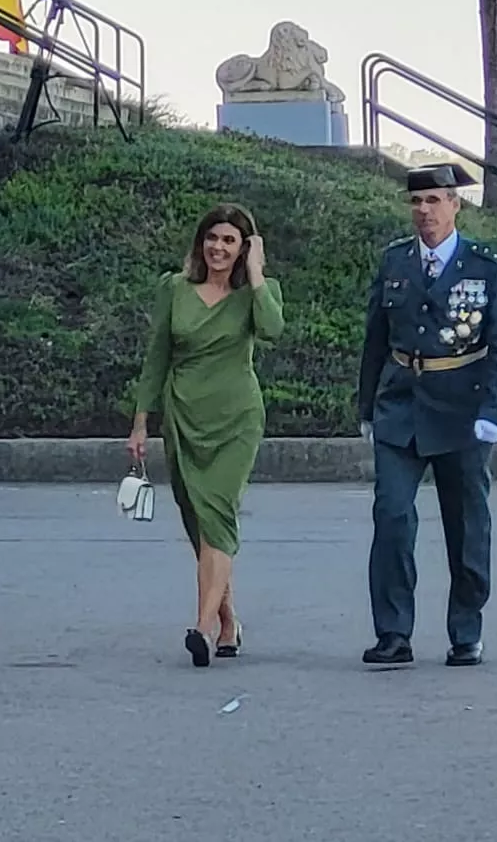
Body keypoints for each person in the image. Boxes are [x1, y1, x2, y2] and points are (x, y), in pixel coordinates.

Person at [357, 164, 497, 668]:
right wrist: (367, 406)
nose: (424, 212)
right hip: (402, 405)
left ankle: (466, 630)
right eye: (417, 202)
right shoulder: (396, 262)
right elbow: (375, 341)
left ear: (456, 205)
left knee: (467, 525)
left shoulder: (485, 267)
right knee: (391, 515)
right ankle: (393, 633)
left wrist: (496, 411)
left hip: (463, 406)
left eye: (434, 201)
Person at [127, 203, 286, 667]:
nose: (219, 248)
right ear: (201, 242)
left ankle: (200, 626)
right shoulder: (174, 289)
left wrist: (256, 275)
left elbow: (274, 330)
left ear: (245, 248)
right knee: (199, 523)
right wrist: (141, 421)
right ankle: (228, 620)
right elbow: (156, 356)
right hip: (184, 416)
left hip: (236, 418)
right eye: (212, 238)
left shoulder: (259, 293)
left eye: (230, 241)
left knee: (218, 513)